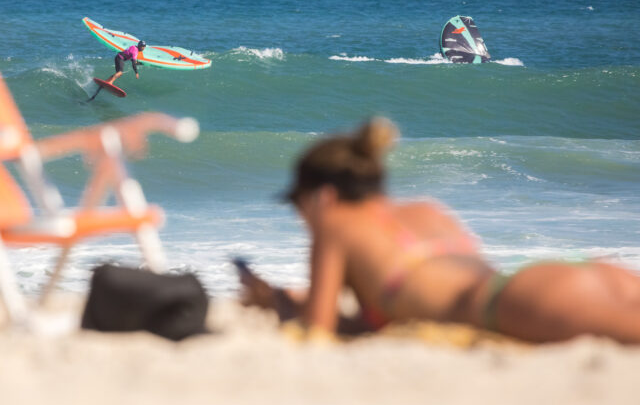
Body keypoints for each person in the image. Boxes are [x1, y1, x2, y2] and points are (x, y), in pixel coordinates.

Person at [239, 118, 640, 343]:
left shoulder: (335, 224)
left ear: (322, 197)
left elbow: (318, 329)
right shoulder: (427, 211)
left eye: (297, 203)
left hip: (509, 305)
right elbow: (418, 291)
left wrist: (276, 304)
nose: (299, 216)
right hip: (543, 277)